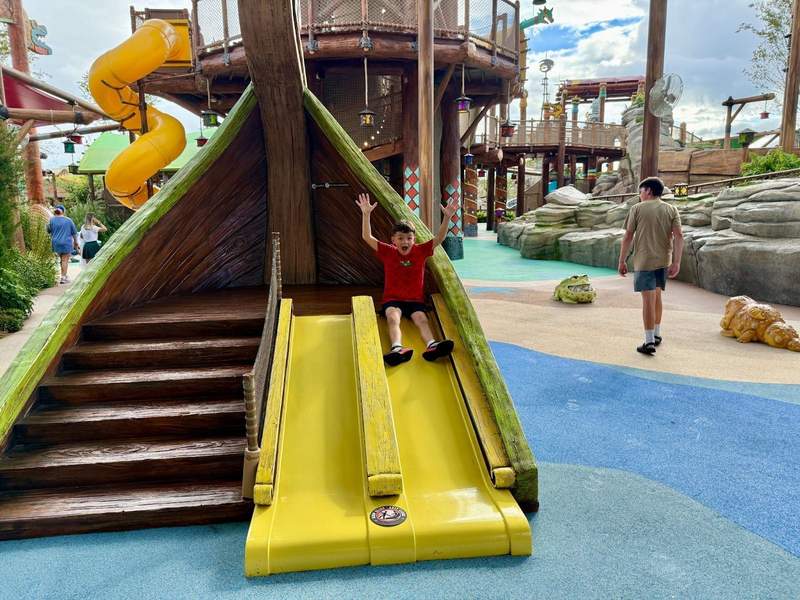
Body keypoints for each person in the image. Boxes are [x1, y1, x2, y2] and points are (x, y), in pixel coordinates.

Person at [356, 192, 458, 366]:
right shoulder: (388, 252)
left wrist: (447, 217)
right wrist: (366, 215)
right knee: (393, 317)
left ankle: (432, 346)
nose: (405, 241)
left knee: (421, 318)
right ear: (393, 240)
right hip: (393, 299)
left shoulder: (421, 251)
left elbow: (439, 238)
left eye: (409, 238)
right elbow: (367, 237)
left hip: (415, 300)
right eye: (401, 238)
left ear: (414, 239)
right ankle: (397, 348)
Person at [618, 177, 684, 356]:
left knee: (647, 300)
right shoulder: (671, 209)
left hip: (644, 260)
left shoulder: (637, 209)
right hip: (664, 260)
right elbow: (679, 236)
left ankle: (648, 342)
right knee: (656, 296)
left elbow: (628, 237)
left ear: (647, 191)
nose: (640, 195)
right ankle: (656, 334)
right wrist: (677, 261)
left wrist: (622, 260)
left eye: (640, 192)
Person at [47, 204, 79, 284]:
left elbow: (48, 230)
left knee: (62, 260)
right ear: (63, 211)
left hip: (56, 243)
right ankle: (63, 277)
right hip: (66, 243)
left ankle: (64, 275)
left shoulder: (52, 220)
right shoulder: (68, 220)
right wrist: (76, 242)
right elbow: (74, 233)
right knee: (65, 260)